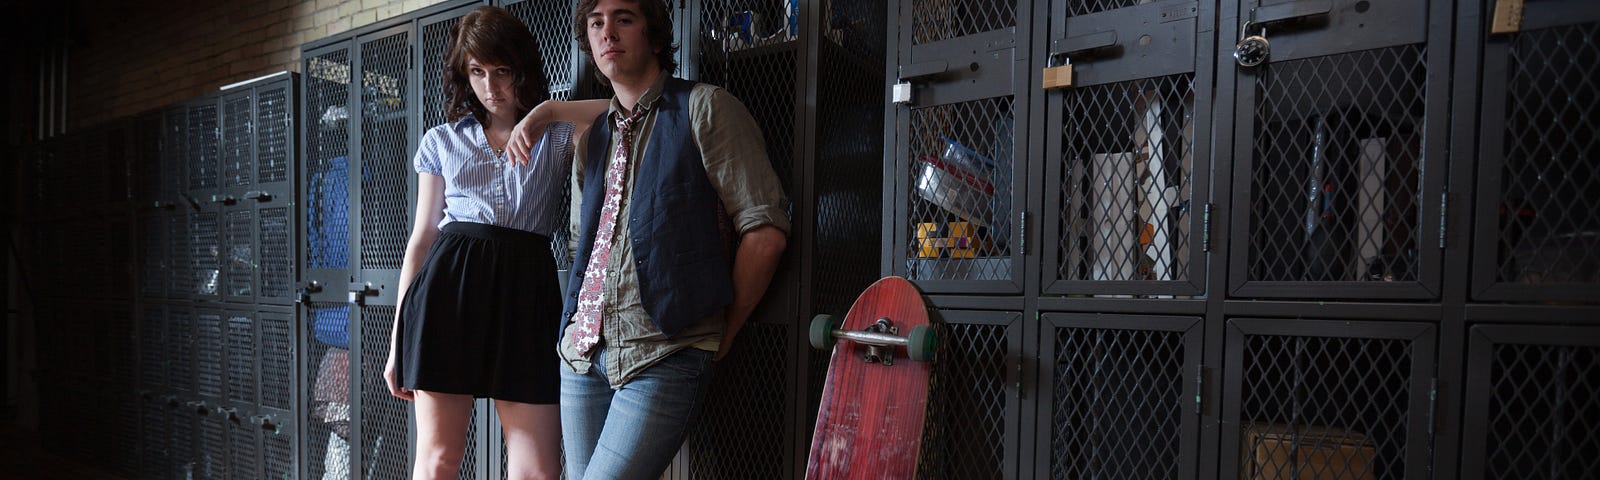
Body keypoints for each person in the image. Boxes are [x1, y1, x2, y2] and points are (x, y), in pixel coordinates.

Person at [504, 0, 789, 477]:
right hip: (581, 355)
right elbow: (580, 246)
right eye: (596, 23)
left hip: (664, 350)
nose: (607, 32)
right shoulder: (594, 136)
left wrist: (724, 332)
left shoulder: (705, 107)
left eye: (624, 19)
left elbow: (765, 233)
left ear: (654, 36)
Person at [382, 6, 571, 479]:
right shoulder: (442, 140)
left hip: (526, 291)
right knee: (439, 460)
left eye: (502, 70)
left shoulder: (559, 132)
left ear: (521, 68)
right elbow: (422, 238)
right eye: (477, 72)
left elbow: (622, 109)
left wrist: (546, 111)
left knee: (538, 470)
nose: (491, 86)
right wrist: (397, 340)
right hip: (449, 288)